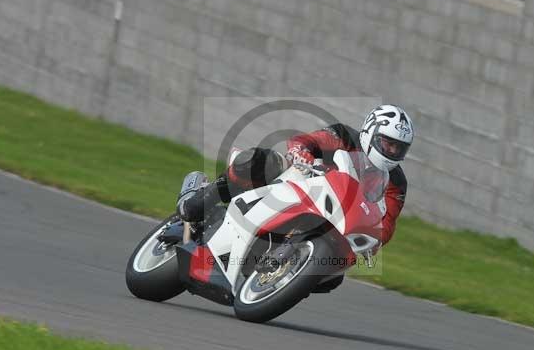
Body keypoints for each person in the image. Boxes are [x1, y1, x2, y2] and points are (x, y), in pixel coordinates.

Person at [177, 105, 414, 249]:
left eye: (398, 148)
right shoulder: (345, 136)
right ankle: (199, 200)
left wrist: (373, 236)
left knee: (333, 275)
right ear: (371, 132)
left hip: (334, 215)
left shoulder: (396, 183)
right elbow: (306, 141)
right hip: (301, 179)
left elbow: (387, 226)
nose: (392, 151)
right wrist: (301, 154)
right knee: (258, 162)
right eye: (388, 143)